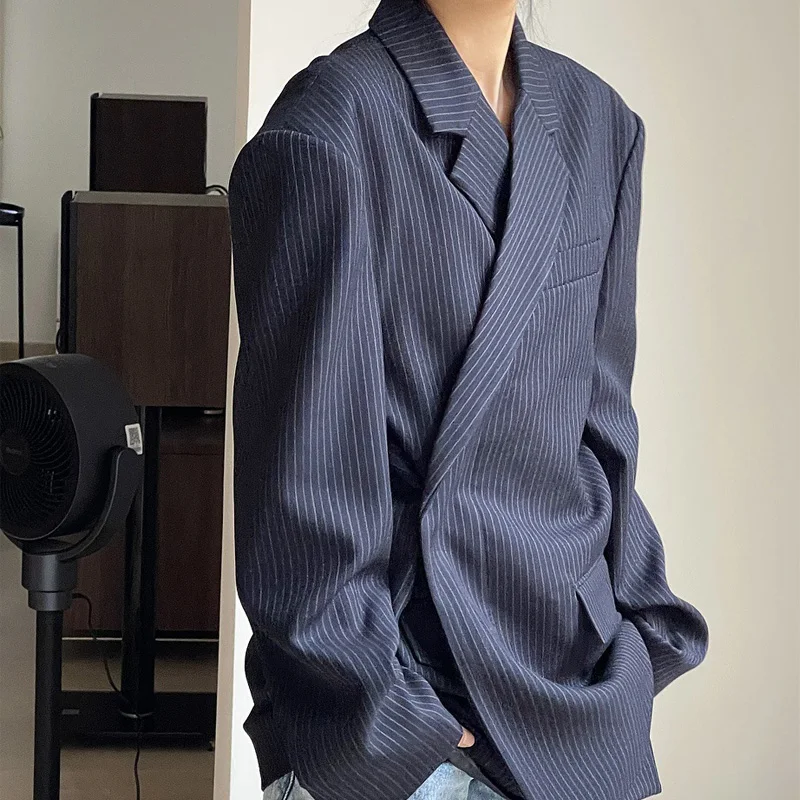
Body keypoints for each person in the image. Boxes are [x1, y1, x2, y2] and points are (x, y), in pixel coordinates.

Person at [228, 0, 710, 798]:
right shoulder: (327, 128)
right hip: (408, 712)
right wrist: (389, 722)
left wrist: (639, 636)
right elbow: (300, 488)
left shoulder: (601, 125)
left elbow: (602, 426)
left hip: (578, 699)